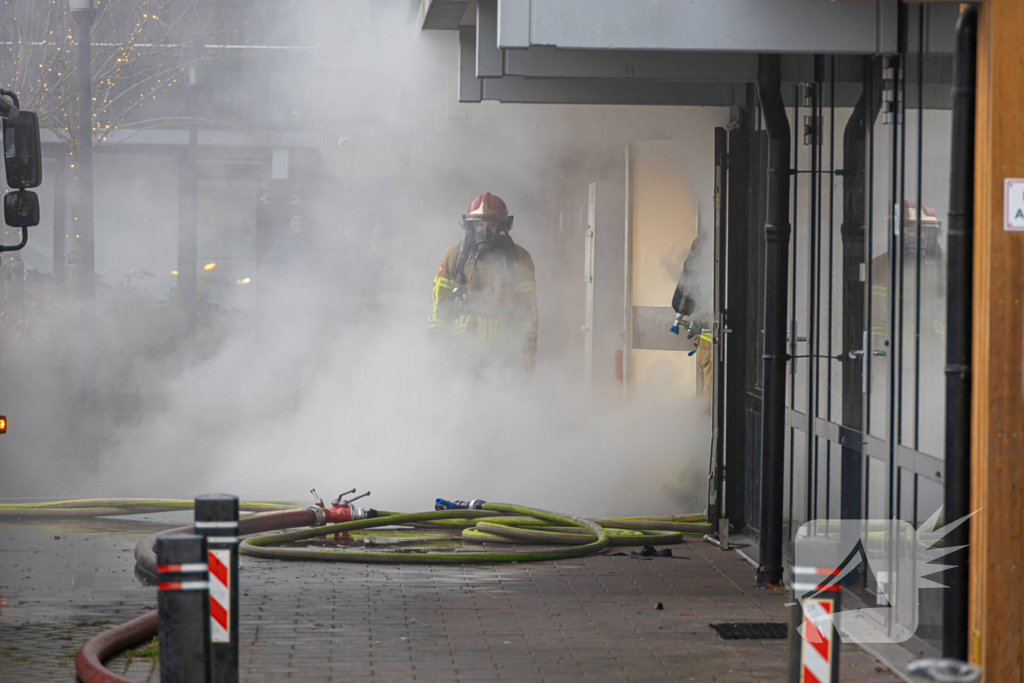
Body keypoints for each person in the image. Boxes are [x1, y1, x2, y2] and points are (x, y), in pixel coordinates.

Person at [428, 192, 538, 375]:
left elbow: (528, 311)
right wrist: (437, 349)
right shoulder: (453, 257)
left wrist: (528, 353)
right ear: (470, 226)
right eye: (480, 225)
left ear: (502, 227)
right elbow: (440, 307)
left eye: (491, 225)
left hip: (505, 353)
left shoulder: (519, 259)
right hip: (462, 354)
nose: (484, 231)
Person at [671, 232, 713, 405]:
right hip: (711, 336)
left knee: (711, 395)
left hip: (708, 337)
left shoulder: (703, 244)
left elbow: (682, 303)